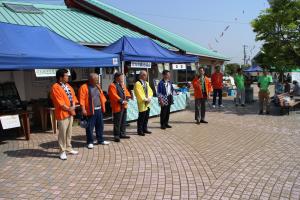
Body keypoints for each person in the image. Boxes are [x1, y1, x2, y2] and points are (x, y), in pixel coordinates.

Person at [50, 69, 79, 160]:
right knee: (62, 133)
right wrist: (69, 108)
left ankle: (68, 147)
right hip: (62, 113)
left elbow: (73, 97)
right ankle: (62, 151)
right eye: (66, 75)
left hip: (70, 112)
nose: (68, 77)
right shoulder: (55, 87)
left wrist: (73, 105)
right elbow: (59, 102)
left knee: (69, 132)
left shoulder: (68, 86)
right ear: (60, 77)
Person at [79, 73, 110, 149]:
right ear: (90, 80)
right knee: (90, 127)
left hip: (98, 109)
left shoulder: (97, 86)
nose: (97, 81)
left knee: (100, 126)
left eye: (97, 79)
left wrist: (103, 105)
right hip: (90, 110)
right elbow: (82, 99)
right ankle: (90, 142)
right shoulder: (84, 87)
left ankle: (100, 140)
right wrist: (83, 109)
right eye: (96, 80)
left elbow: (101, 96)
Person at [108, 72, 131, 142]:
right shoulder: (112, 85)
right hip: (117, 106)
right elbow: (113, 95)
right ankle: (116, 135)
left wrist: (127, 98)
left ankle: (122, 134)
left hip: (124, 106)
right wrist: (122, 101)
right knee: (117, 122)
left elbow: (127, 93)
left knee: (123, 121)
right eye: (121, 77)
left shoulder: (122, 85)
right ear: (117, 78)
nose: (122, 78)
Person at [134, 70, 153, 136]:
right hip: (142, 103)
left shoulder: (146, 83)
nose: (146, 76)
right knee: (141, 117)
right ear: (141, 75)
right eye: (144, 75)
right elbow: (139, 93)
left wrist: (149, 97)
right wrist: (145, 99)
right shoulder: (137, 83)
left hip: (147, 103)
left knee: (146, 117)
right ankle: (140, 130)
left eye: (146, 75)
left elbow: (150, 91)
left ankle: (145, 129)